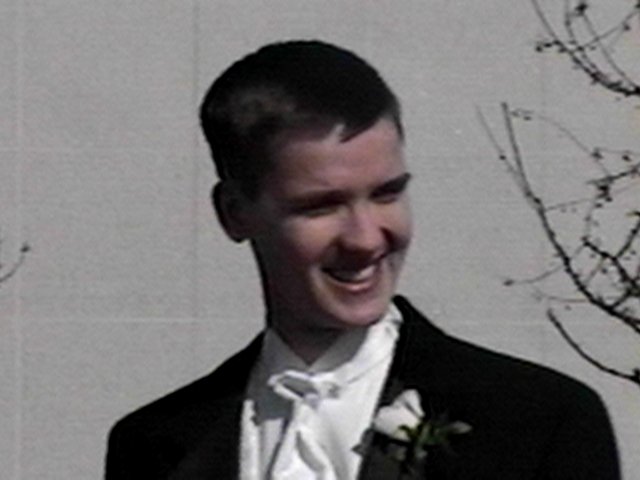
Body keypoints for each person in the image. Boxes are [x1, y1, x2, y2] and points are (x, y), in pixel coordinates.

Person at [105, 40, 620, 479]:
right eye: (321, 206)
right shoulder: (154, 445)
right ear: (235, 214)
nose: (365, 239)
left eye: (387, 194)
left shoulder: (539, 421)